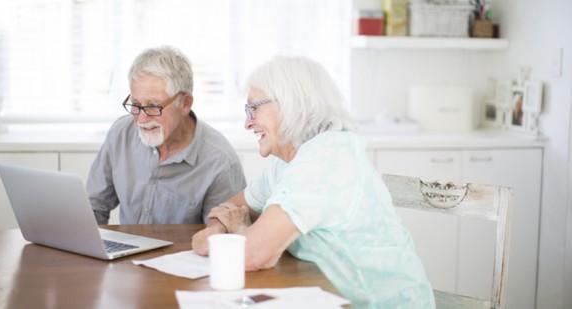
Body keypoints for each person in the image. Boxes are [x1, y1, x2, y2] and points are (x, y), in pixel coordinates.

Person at [191, 56, 435, 308]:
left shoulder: (327, 157)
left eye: (254, 108)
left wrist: (238, 231)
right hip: (325, 297)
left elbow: (253, 255)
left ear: (290, 104)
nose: (247, 122)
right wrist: (220, 229)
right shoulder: (286, 161)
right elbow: (228, 208)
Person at [87, 46, 246, 224]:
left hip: (185, 252)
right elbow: (93, 208)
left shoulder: (220, 161)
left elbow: (222, 238)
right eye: (136, 104)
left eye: (153, 105)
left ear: (185, 103)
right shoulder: (121, 134)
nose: (141, 118)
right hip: (128, 251)